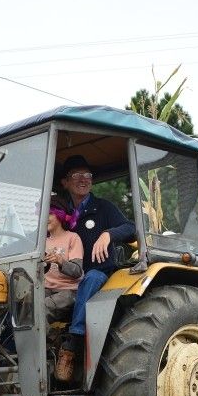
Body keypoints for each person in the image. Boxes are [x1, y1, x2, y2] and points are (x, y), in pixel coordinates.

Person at [56, 155, 135, 381]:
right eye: (77, 176)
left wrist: (108, 233)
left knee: (91, 278)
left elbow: (130, 228)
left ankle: (73, 344)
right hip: (67, 276)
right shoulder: (60, 213)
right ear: (65, 182)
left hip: (99, 274)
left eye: (88, 175)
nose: (84, 180)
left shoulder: (103, 208)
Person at [43, 196, 83, 327]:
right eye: (43, 214)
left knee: (41, 308)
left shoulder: (72, 238)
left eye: (49, 214)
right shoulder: (42, 242)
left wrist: (61, 261)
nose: (45, 217)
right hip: (45, 289)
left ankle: (45, 345)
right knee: (21, 305)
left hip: (68, 291)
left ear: (60, 214)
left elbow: (77, 271)